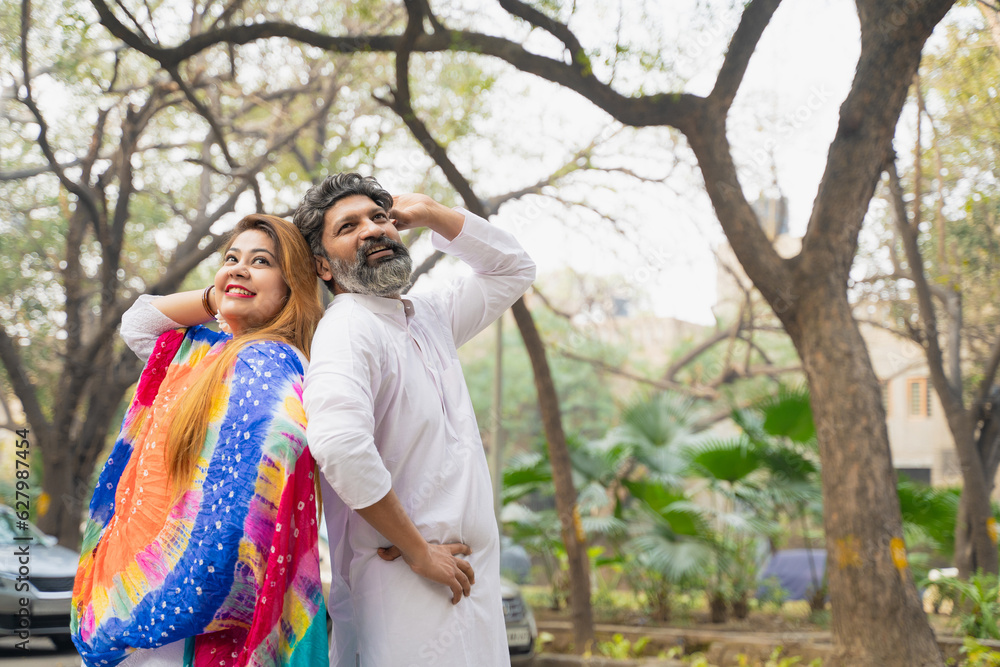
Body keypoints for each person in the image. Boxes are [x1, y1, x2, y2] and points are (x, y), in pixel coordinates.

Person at [293, 173, 536, 666]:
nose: (372, 229)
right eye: (348, 226)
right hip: (406, 585)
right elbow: (339, 445)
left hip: (467, 583)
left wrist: (430, 212)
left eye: (379, 217)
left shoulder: (427, 317)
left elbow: (513, 268)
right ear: (322, 265)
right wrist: (419, 551)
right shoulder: (348, 328)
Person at [71, 215, 328, 667]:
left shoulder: (286, 365)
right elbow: (138, 322)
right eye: (232, 258)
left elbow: (260, 480)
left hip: (215, 601)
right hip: (145, 582)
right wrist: (223, 294)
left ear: (292, 286)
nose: (240, 267)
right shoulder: (196, 353)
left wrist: (199, 575)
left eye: (261, 262)